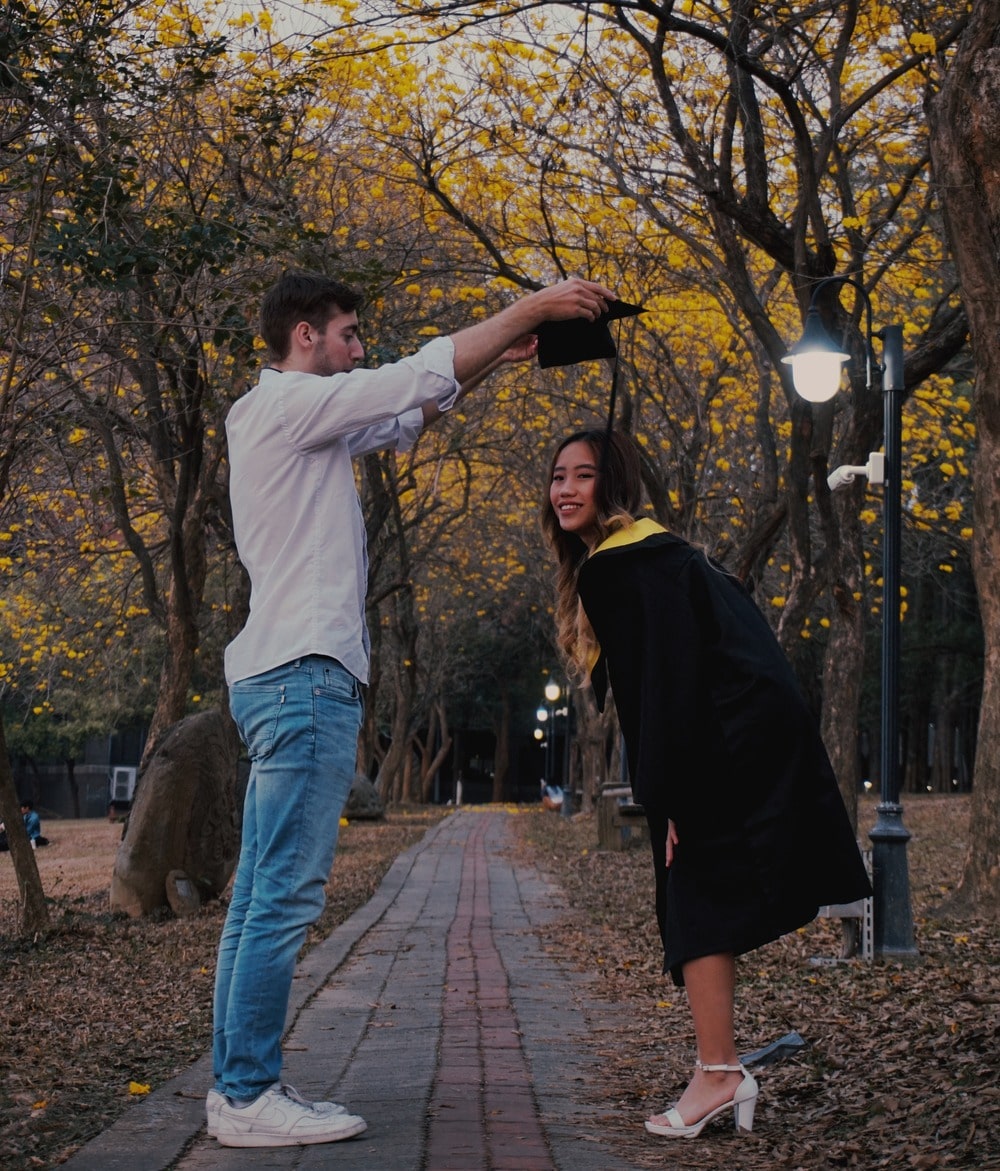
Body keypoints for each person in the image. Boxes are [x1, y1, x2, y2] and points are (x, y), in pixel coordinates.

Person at [210, 269, 616, 1149]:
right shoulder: (283, 405)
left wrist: (500, 360)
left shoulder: (291, 423)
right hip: (303, 674)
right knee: (281, 896)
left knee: (258, 897)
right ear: (306, 337)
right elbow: (406, 381)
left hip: (280, 675)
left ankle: (238, 1087)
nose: (360, 348)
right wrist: (535, 307)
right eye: (349, 334)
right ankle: (246, 1095)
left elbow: (406, 411)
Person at [542, 428, 872, 1140]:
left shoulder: (619, 567)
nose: (565, 489)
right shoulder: (657, 554)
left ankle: (720, 1073)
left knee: (693, 900)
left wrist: (668, 795)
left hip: (725, 736)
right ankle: (718, 1070)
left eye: (583, 475)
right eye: (557, 476)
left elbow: (662, 686)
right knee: (701, 902)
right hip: (745, 724)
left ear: (615, 483)